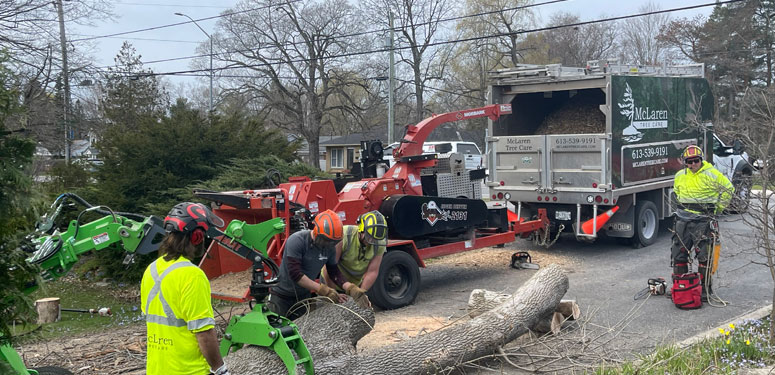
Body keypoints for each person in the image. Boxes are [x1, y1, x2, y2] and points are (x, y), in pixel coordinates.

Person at [141, 202, 230, 375]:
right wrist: (220, 370)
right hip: (189, 370)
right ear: (196, 237)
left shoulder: (151, 270)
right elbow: (204, 333)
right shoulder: (192, 275)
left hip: (157, 369)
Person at [671, 145, 733, 301]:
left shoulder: (712, 174)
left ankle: (705, 290)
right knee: (679, 255)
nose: (693, 165)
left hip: (703, 221)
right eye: (689, 162)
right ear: (685, 162)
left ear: (701, 160)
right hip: (682, 220)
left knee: (704, 257)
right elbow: (677, 192)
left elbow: (728, 189)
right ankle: (681, 287)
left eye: (696, 161)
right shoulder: (680, 175)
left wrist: (718, 208)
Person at [268, 209, 354, 319]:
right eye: (326, 240)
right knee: (276, 330)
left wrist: (350, 287)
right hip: (281, 296)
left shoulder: (329, 247)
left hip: (303, 297)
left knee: (301, 332)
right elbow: (295, 274)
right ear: (316, 231)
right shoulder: (297, 240)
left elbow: (333, 271)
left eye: (332, 242)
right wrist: (323, 289)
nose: (328, 244)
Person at [321, 210, 388, 308]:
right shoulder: (344, 235)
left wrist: (361, 293)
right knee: (329, 313)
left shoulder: (378, 242)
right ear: (361, 229)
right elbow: (329, 268)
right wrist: (332, 293)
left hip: (353, 285)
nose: (372, 242)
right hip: (331, 280)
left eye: (375, 239)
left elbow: (372, 272)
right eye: (369, 238)